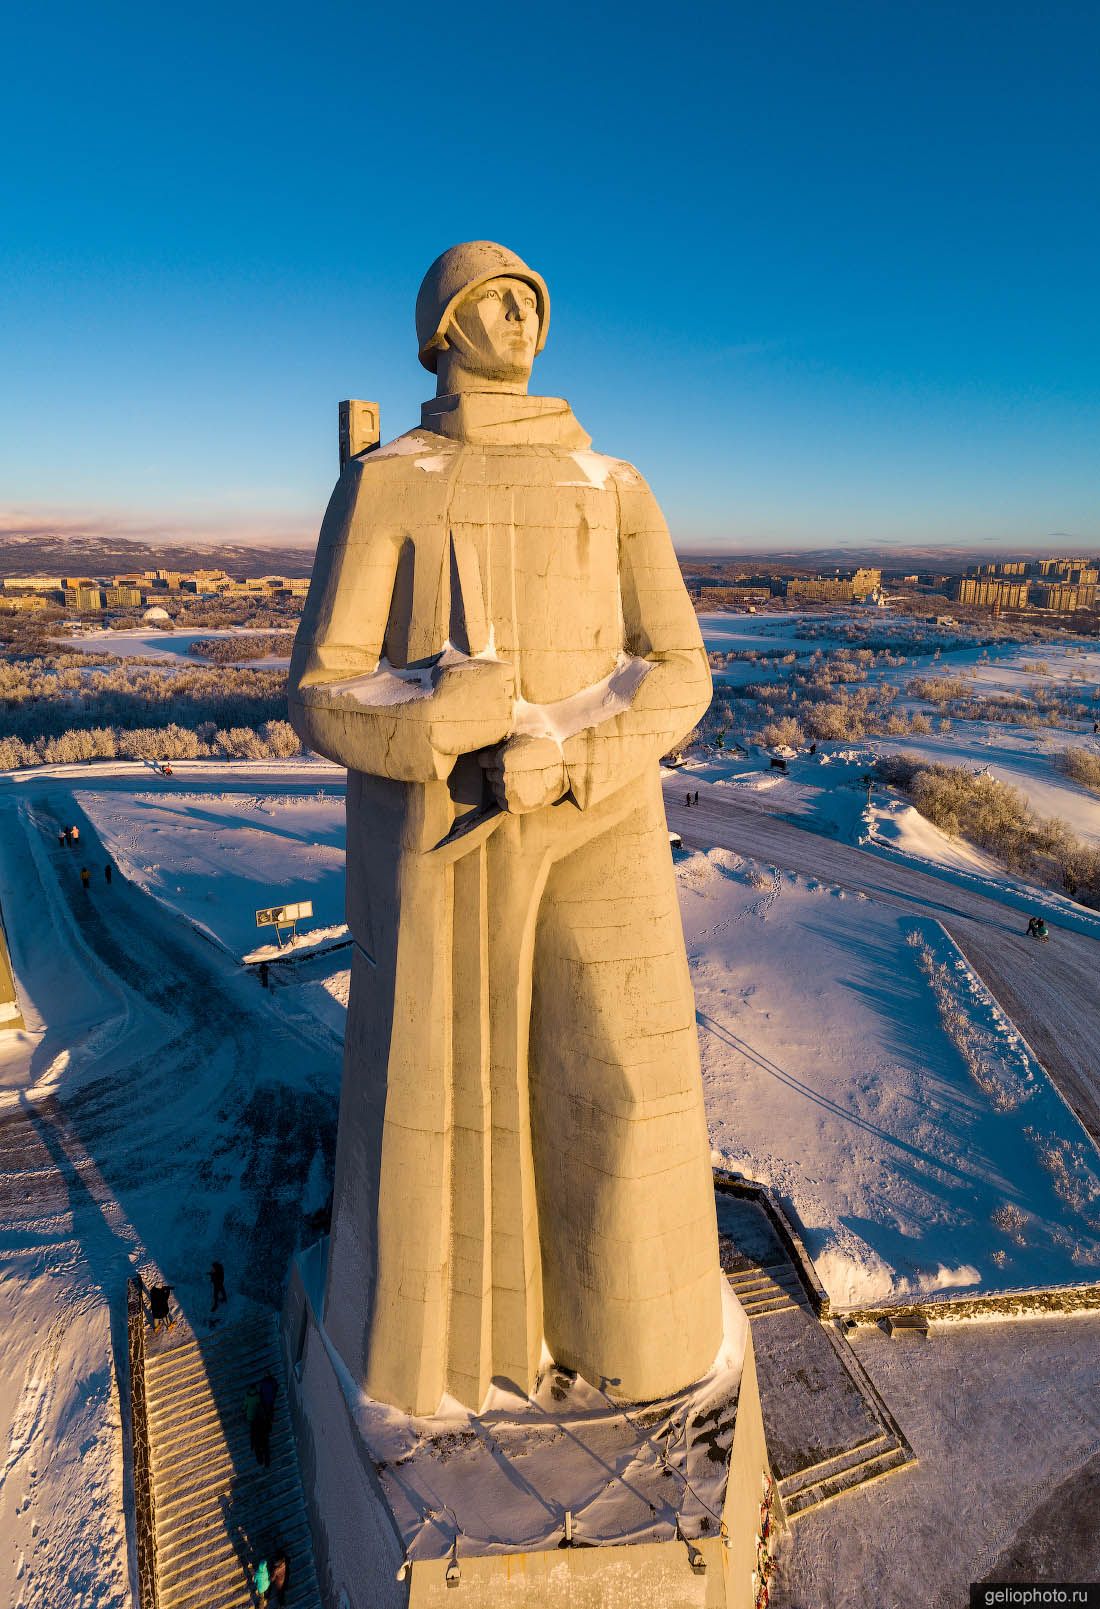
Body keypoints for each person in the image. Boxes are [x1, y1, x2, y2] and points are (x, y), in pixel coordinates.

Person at [244, 1383, 263, 1459]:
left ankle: (253, 1445)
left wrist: (243, 1409)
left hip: (250, 1416)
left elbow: (245, 1405)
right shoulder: (257, 1395)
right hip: (256, 1414)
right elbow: (259, 1403)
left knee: (252, 1431)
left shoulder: (247, 1396)